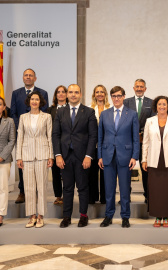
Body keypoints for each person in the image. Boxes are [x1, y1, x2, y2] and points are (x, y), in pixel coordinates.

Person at [52, 84, 98, 228]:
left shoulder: (89, 112)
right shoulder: (60, 112)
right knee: (67, 188)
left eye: (76, 92)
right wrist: (58, 155)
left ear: (80, 94)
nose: (73, 95)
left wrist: (89, 156)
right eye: (70, 92)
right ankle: (67, 217)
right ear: (67, 95)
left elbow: (93, 136)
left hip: (82, 156)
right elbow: (56, 134)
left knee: (83, 187)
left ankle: (83, 216)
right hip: (65, 156)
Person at [98, 86, 140, 228]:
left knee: (124, 189)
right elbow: (100, 136)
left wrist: (135, 156)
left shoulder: (132, 114)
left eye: (119, 96)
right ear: (111, 97)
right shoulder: (104, 114)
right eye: (114, 96)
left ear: (123, 96)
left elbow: (135, 138)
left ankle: (125, 216)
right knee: (109, 189)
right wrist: (100, 156)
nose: (116, 98)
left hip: (125, 156)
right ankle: (108, 216)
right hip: (107, 155)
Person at [142, 96, 168, 227]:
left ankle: (166, 216)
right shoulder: (150, 121)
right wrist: (144, 159)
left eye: (164, 104)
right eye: (159, 104)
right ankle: (157, 216)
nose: (162, 107)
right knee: (155, 190)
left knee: (167, 189)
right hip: (153, 160)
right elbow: (145, 142)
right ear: (156, 106)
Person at [10, 68, 49, 204]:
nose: (28, 77)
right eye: (26, 75)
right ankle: (22, 191)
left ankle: (37, 192)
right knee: (23, 163)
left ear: (35, 78)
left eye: (30, 75)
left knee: (39, 165)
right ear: (23, 78)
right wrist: (21, 126)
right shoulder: (16, 93)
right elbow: (13, 113)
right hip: (23, 134)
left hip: (38, 135)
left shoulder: (43, 93)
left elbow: (44, 112)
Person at [16, 92, 53, 228]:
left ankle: (41, 216)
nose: (34, 101)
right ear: (29, 101)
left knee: (42, 186)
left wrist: (51, 156)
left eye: (37, 99)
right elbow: (20, 137)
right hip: (26, 155)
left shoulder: (47, 117)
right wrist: (19, 156)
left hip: (43, 155)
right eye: (32, 99)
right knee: (29, 187)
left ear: (40, 102)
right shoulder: (23, 117)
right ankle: (32, 216)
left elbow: (49, 136)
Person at [124, 79, 154, 203]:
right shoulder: (126, 102)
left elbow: (152, 121)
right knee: (126, 169)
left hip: (144, 141)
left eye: (142, 87)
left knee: (146, 169)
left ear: (145, 89)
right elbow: (123, 120)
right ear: (133, 88)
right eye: (137, 86)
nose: (139, 88)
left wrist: (142, 132)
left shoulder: (151, 102)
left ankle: (148, 195)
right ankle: (126, 196)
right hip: (128, 141)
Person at [88, 84, 110, 204]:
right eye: (97, 92)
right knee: (92, 173)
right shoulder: (89, 109)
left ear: (105, 94)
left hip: (107, 146)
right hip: (93, 146)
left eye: (102, 92)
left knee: (105, 173)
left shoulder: (110, 108)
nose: (100, 94)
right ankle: (92, 197)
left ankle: (104, 198)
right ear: (94, 95)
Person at [47, 85, 68, 205]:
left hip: (67, 144)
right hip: (54, 143)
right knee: (55, 172)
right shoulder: (50, 110)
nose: (60, 94)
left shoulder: (71, 108)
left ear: (66, 94)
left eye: (63, 92)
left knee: (67, 172)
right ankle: (58, 196)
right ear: (55, 95)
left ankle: (67, 194)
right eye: (58, 92)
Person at [0, 97, 16, 226]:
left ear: (4, 107)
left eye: (0, 104)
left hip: (3, 160)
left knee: (2, 188)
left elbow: (12, 140)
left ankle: (0, 214)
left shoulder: (9, 121)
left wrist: (2, 156)